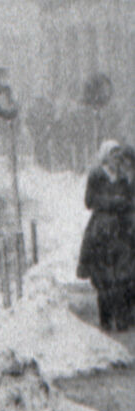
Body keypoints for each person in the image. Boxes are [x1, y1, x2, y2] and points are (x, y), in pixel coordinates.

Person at [77, 140, 135, 333]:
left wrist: (123, 202)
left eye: (119, 155)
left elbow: (129, 200)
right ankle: (106, 319)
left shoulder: (122, 177)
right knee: (103, 277)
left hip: (121, 232)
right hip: (100, 232)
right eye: (113, 154)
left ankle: (122, 319)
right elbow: (89, 201)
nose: (116, 159)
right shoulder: (97, 175)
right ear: (105, 156)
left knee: (122, 275)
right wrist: (112, 202)